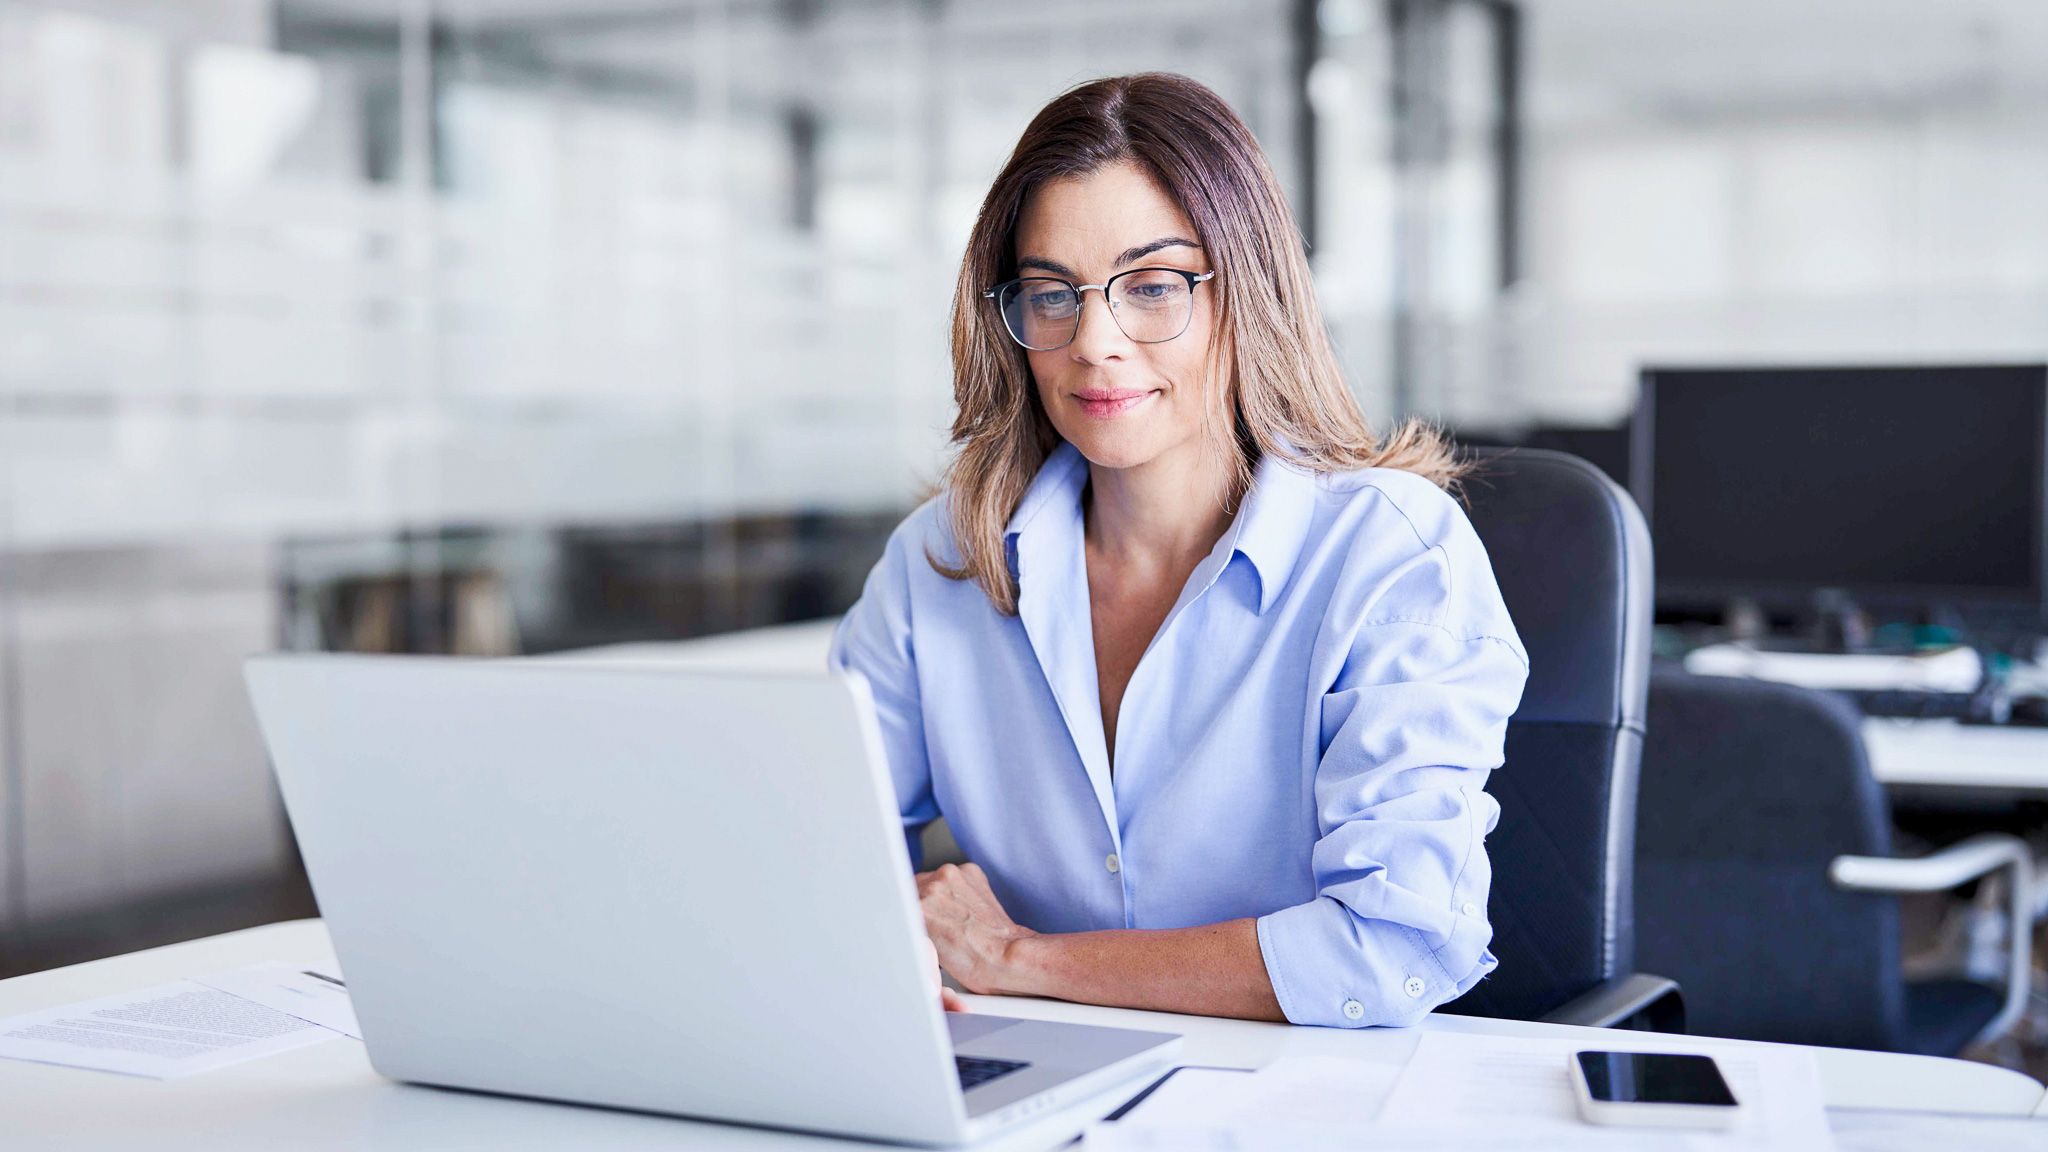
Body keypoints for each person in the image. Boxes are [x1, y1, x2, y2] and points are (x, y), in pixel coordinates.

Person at [830, 72, 1527, 1028]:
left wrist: (1022, 960)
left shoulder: (1390, 556)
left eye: (1153, 287)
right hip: (1024, 1085)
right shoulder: (941, 563)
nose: (1095, 344)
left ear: (1248, 290)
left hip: (1299, 1099)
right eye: (1050, 295)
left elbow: (1394, 948)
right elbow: (814, 849)